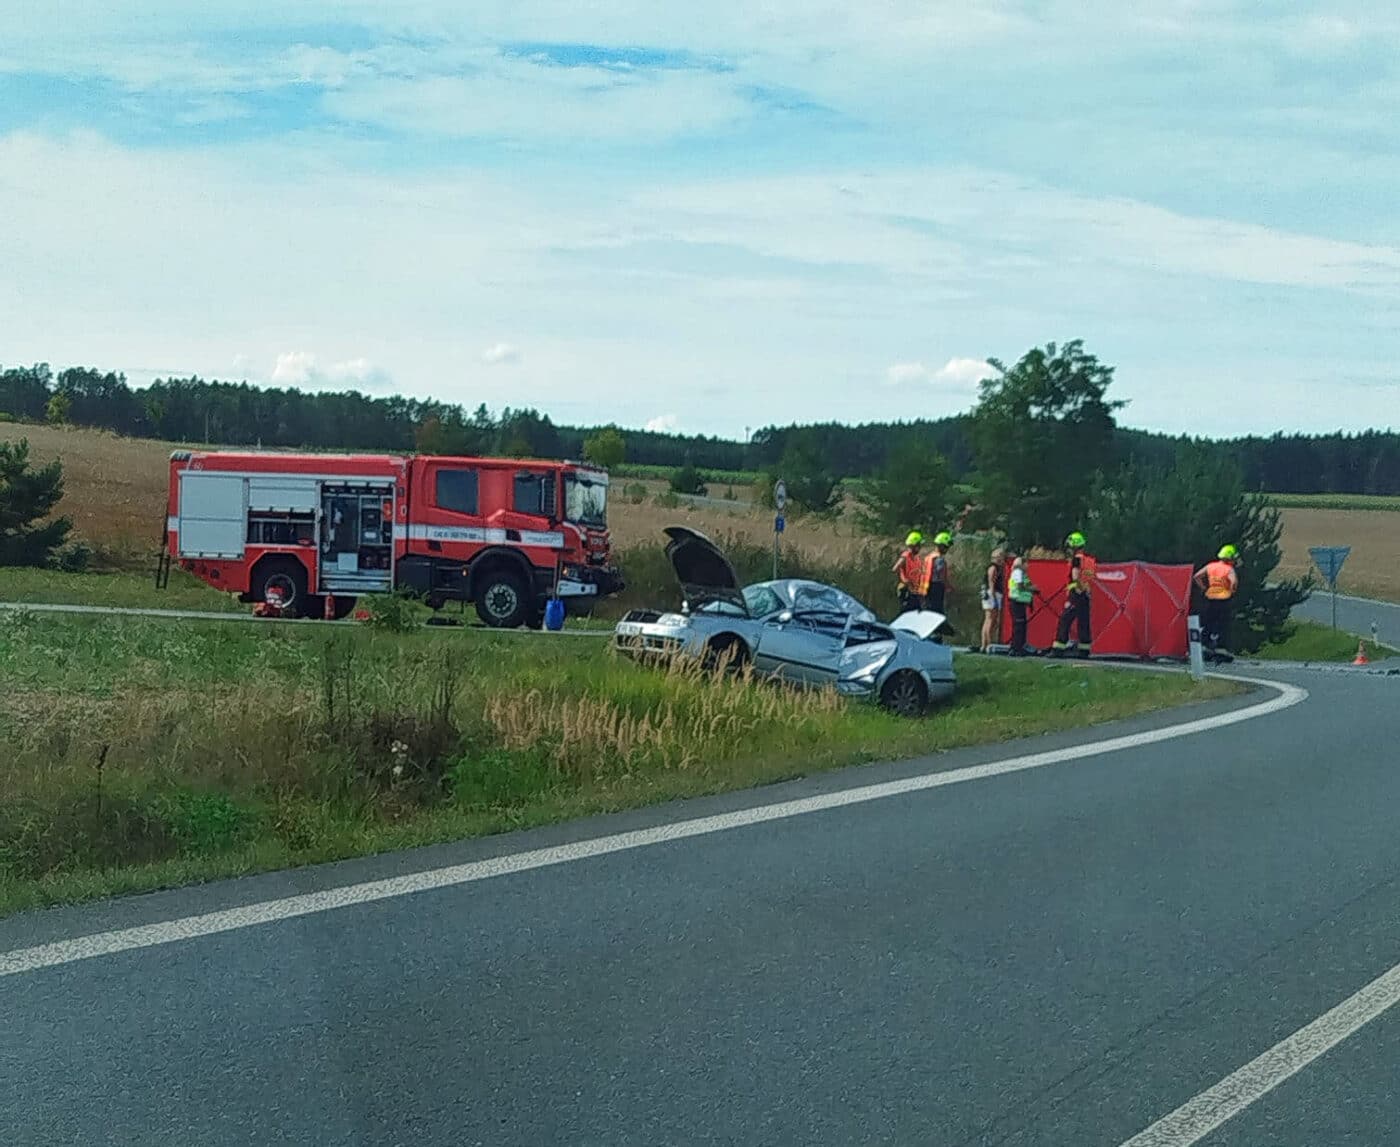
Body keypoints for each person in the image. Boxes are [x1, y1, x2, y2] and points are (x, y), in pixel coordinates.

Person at [1051, 530, 1094, 658]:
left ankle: (1058, 649)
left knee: (1065, 620)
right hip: (1086, 595)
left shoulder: (1076, 560)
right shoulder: (1090, 561)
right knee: (1083, 622)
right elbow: (1089, 578)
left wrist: (1077, 589)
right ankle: (1084, 650)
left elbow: (1075, 577)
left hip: (1076, 594)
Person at [1194, 544, 1241, 660]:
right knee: (1223, 624)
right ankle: (1221, 648)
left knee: (1209, 622)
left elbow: (1197, 576)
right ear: (1230, 559)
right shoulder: (1229, 569)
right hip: (1224, 599)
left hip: (1210, 598)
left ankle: (1205, 646)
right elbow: (1233, 581)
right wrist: (1232, 590)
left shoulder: (1211, 566)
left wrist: (1204, 588)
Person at [892, 531, 931, 612]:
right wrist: (905, 580)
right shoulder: (905, 556)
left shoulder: (917, 558)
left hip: (915, 591)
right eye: (919, 545)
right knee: (906, 612)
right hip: (906, 589)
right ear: (913, 545)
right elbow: (895, 568)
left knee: (917, 612)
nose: (920, 547)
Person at [1007, 553, 1037, 656]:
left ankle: (1020, 646)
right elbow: (1020, 587)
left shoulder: (1022, 574)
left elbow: (1026, 585)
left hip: (1021, 602)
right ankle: (1016, 648)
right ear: (1022, 564)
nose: (1028, 566)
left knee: (1022, 625)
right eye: (1026, 563)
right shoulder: (1017, 572)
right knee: (1019, 626)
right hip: (1016, 602)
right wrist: (1031, 589)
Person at [980, 547, 1006, 653]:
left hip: (990, 593)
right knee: (990, 619)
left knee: (989, 619)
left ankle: (985, 644)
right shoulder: (993, 568)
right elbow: (991, 582)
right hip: (992, 594)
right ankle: (987, 644)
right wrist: (994, 598)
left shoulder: (996, 567)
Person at [927, 531, 953, 614]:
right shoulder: (940, 559)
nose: (947, 549)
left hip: (927, 585)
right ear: (942, 546)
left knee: (930, 609)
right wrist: (948, 586)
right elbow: (941, 575)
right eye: (946, 547)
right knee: (937, 610)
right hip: (937, 586)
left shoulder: (929, 557)